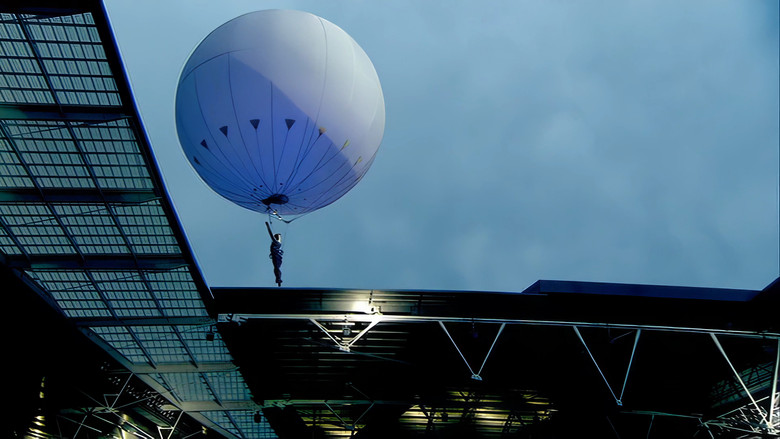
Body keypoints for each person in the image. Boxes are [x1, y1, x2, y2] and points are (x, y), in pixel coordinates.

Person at [265, 222, 283, 286]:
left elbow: (271, 235)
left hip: (277, 257)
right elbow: (272, 236)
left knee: (276, 267)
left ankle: (279, 279)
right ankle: (279, 280)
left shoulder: (277, 243)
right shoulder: (277, 243)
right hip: (277, 257)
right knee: (277, 267)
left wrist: (268, 226)